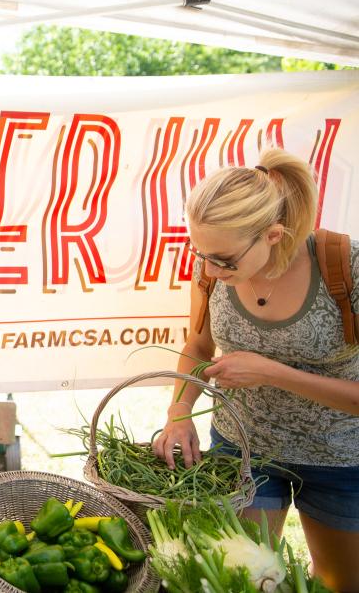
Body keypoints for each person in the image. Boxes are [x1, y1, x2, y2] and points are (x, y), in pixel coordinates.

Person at [151, 149, 359, 591]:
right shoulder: (212, 263)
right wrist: (180, 413)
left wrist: (273, 372)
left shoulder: (347, 266)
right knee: (239, 582)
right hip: (243, 450)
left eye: (223, 260)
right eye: (199, 253)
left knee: (340, 584)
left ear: (273, 234)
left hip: (342, 460)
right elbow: (199, 343)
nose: (209, 269)